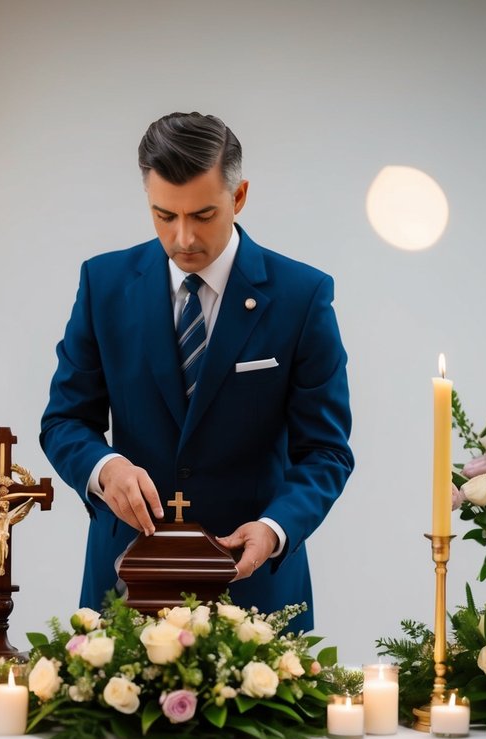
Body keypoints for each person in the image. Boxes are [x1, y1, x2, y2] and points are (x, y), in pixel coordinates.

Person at [40, 112, 353, 630]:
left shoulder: (302, 296)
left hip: (255, 590)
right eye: (164, 215)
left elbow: (326, 450)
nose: (183, 237)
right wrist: (105, 469)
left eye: (203, 215)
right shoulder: (102, 284)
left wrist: (275, 528)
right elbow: (65, 421)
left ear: (240, 196)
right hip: (124, 583)